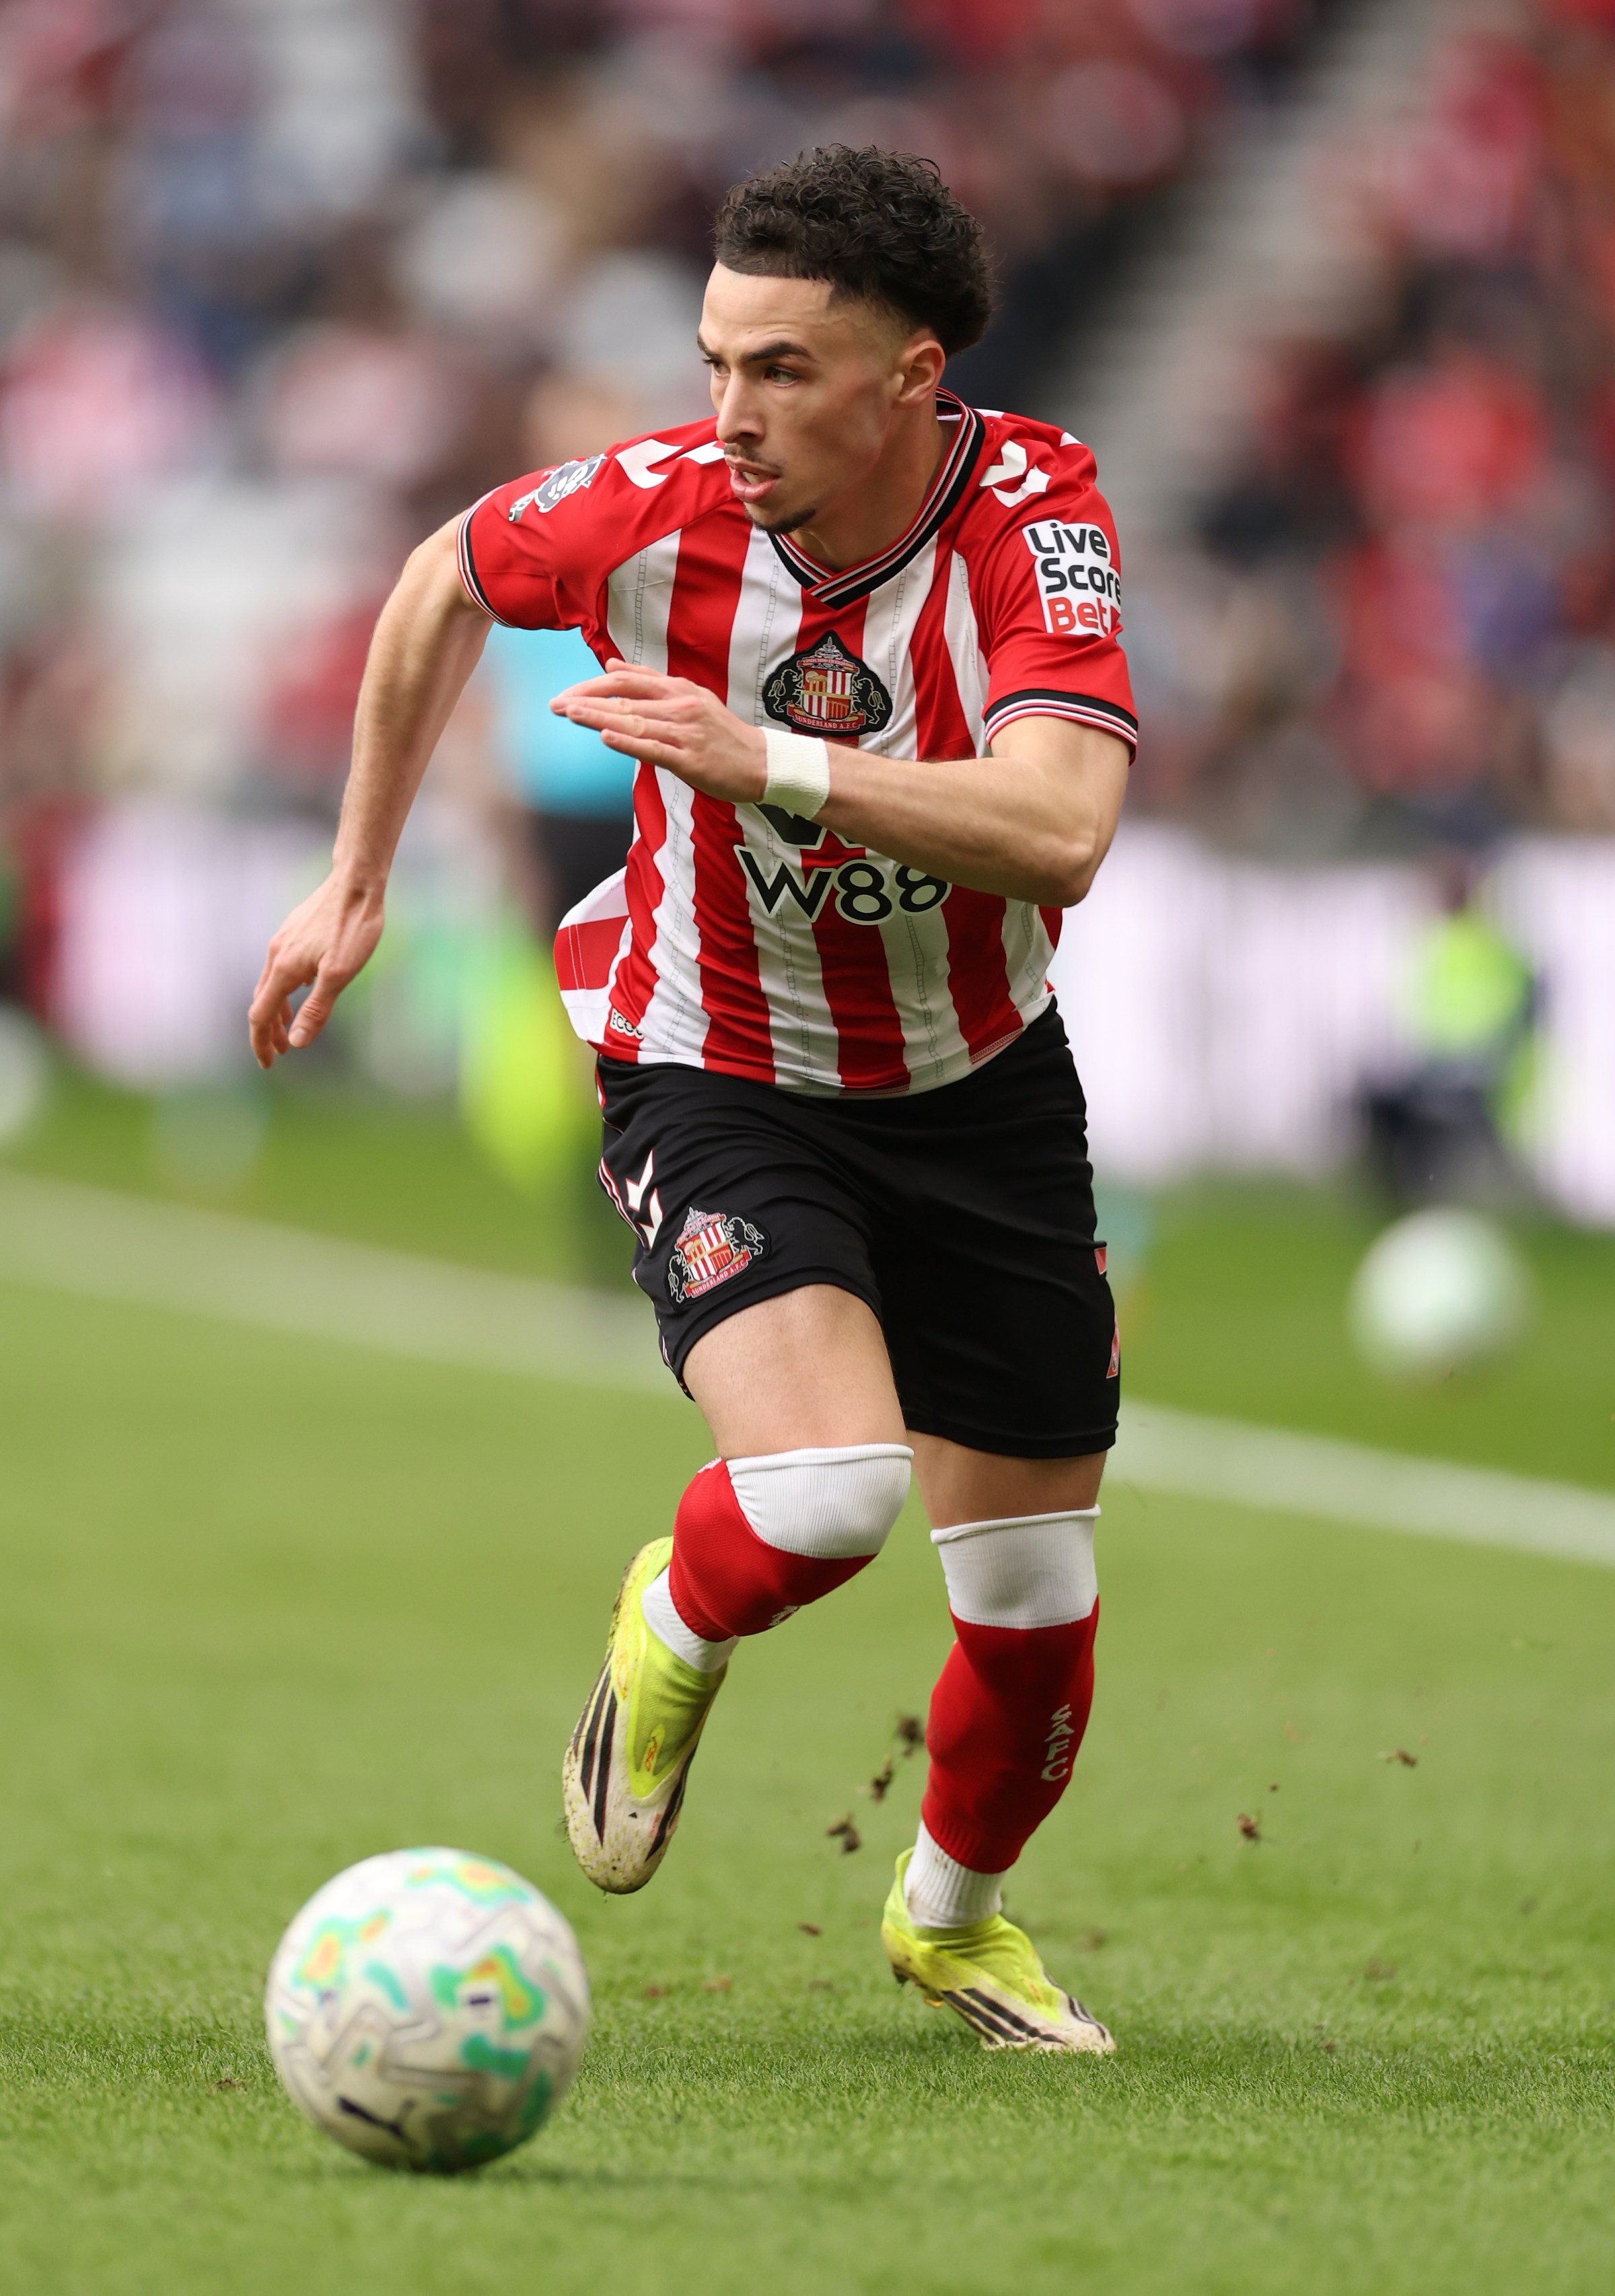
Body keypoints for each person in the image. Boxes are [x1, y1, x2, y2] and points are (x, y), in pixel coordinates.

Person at [250, 146, 1136, 2056]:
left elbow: (1065, 828)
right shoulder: (654, 506)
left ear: (912, 378)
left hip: (981, 1086)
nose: (730, 414)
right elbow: (441, 577)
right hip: (717, 1063)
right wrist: (356, 875)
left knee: (1033, 1593)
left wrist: (768, 767)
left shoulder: (1034, 512)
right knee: (822, 1493)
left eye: (785, 371)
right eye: (718, 360)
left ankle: (951, 1920)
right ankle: (673, 1625)